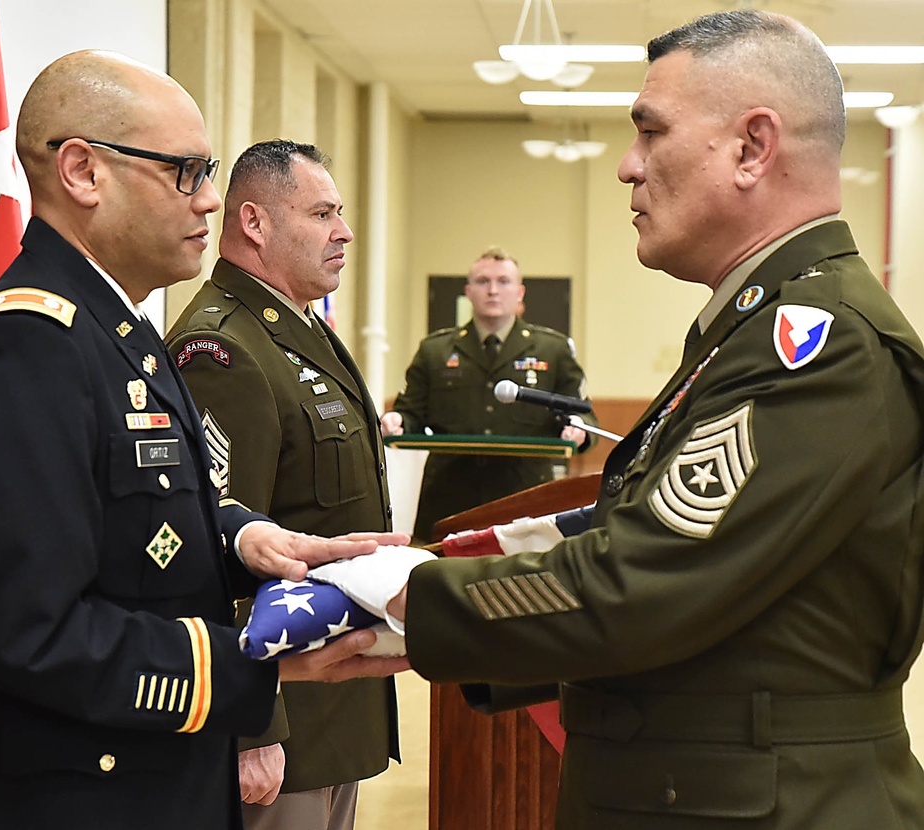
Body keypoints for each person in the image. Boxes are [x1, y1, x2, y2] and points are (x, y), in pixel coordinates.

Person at [384, 10, 924, 829]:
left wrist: (406, 600)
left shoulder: (816, 347)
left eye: (649, 131)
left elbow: (641, 584)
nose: (628, 167)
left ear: (752, 147)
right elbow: (639, 546)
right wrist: (417, 596)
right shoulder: (750, 330)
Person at [0, 51, 408, 830]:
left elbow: (140, 510)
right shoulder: (23, 346)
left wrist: (244, 536)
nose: (213, 201)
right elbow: (26, 634)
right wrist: (253, 667)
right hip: (90, 796)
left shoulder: (120, 331)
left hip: (163, 777)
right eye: (186, 172)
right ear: (83, 171)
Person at [167, 140, 399, 830]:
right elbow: (220, 543)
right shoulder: (224, 349)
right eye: (322, 213)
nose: (344, 231)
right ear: (255, 224)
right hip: (281, 723)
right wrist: (251, 725)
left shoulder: (299, 329)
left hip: (330, 713)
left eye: (340, 212)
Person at [381, 247, 598, 541]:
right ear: (469, 292)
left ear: (520, 292)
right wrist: (397, 421)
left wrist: (579, 429)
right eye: (483, 282)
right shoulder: (435, 350)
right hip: (449, 494)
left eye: (504, 282)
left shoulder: (553, 349)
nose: (493, 290)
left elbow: (582, 412)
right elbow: (410, 412)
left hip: (527, 493)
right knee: (440, 576)